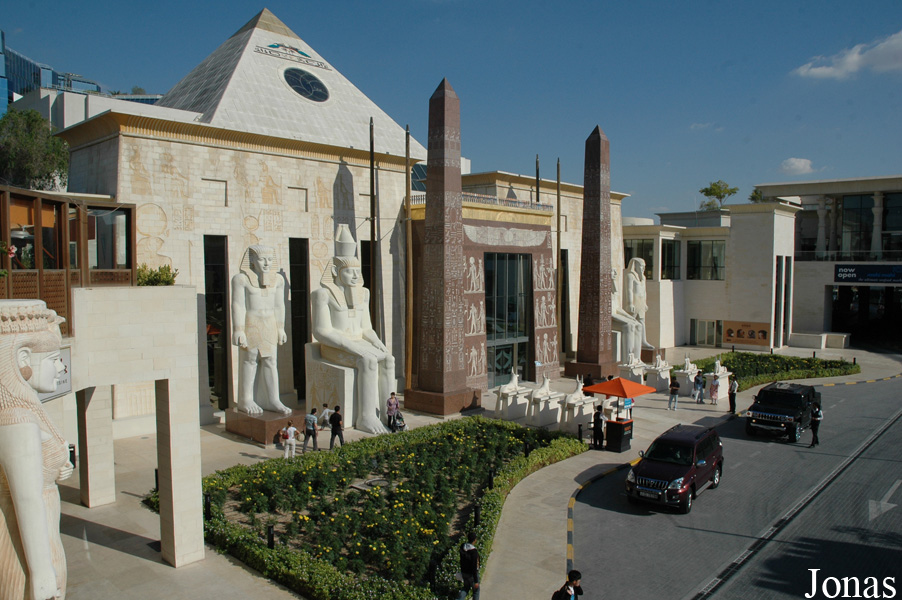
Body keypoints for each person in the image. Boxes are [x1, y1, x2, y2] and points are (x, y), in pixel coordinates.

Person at [0, 301, 72, 600]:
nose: (62, 367)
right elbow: (27, 499)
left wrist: (55, 468)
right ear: (23, 359)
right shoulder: (16, 419)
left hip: (42, 543)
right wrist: (42, 575)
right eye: (55, 359)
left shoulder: (24, 411)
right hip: (28, 554)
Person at [311, 224, 393, 434]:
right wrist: (353, 347)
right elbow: (321, 332)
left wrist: (377, 343)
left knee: (388, 359)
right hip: (333, 347)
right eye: (349, 272)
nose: (355, 276)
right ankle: (365, 417)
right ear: (335, 271)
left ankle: (389, 413)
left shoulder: (363, 293)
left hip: (358, 343)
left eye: (358, 271)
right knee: (367, 360)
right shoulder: (323, 294)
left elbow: (366, 328)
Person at [231, 245, 291, 415]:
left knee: (271, 361)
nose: (266, 263)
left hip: (270, 323)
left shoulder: (278, 280)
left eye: (270, 260)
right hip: (252, 323)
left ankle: (273, 399)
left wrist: (281, 328)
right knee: (250, 359)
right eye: (262, 259)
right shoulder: (241, 279)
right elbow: (238, 305)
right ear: (252, 260)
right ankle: (246, 399)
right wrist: (238, 329)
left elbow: (279, 305)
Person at [458, 531, 480, 600]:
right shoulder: (474, 552)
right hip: (471, 575)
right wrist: (476, 581)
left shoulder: (463, 547)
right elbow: (474, 567)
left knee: (465, 588)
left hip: (464, 573)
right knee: (476, 591)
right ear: (475, 540)